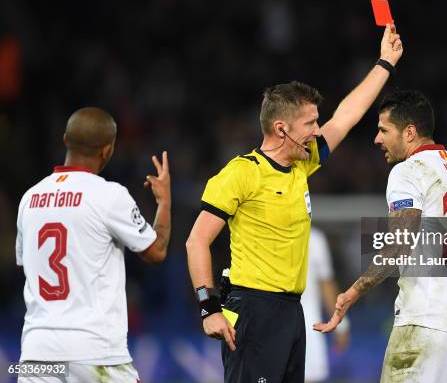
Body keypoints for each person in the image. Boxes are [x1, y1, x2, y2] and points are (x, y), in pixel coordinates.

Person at [186, 24, 403, 382]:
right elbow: (196, 241)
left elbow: (346, 116)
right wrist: (208, 309)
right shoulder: (241, 173)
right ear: (282, 128)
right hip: (252, 310)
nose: (318, 130)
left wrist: (385, 62)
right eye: (310, 123)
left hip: (291, 311)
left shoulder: (302, 164)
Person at [315, 90, 447, 382]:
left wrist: (353, 292)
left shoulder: (409, 171)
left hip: (425, 324)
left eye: (384, 130)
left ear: (409, 132)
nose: (377, 139)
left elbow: (400, 245)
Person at [15, 107, 171, 382]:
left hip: (37, 350)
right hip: (94, 350)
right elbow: (156, 251)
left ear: (65, 139)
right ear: (107, 150)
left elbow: (26, 264)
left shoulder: (30, 198)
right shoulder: (109, 195)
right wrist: (164, 202)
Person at [301, 227, 350, 383]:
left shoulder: (313, 238)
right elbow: (326, 284)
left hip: (306, 326)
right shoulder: (313, 237)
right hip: (299, 326)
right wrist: (342, 326)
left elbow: (326, 283)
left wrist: (341, 325)